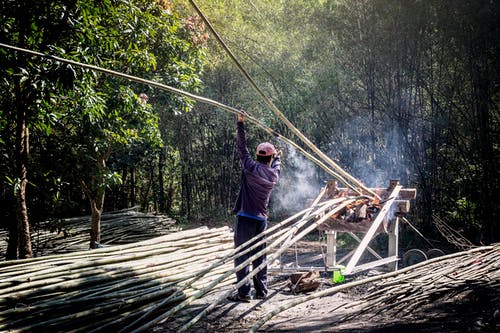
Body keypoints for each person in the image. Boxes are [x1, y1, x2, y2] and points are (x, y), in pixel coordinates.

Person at [228, 111, 281, 302]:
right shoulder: (274, 174)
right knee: (260, 255)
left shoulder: (250, 168)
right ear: (271, 158)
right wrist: (278, 156)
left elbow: (242, 148)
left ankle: (243, 293)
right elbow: (277, 164)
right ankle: (262, 291)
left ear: (258, 156)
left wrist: (240, 123)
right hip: (261, 220)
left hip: (246, 218)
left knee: (242, 255)